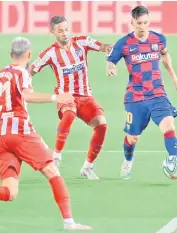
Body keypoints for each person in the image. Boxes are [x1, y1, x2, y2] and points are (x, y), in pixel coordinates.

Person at [0, 37, 92, 230]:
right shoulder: (22, 73)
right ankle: (69, 222)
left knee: (10, 192)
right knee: (52, 171)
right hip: (21, 133)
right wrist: (56, 97)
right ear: (29, 55)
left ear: (11, 55)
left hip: (0, 137)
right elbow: (26, 95)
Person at [106, 6, 177, 179]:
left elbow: (165, 55)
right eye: (139, 23)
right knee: (132, 138)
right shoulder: (124, 43)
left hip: (157, 94)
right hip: (135, 97)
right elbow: (111, 60)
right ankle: (128, 161)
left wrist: (174, 77)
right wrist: (111, 68)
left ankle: (175, 161)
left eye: (145, 22)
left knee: (169, 126)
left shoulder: (159, 39)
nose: (142, 26)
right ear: (132, 22)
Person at [29, 16, 112, 180]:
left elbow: (103, 46)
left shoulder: (82, 42)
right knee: (69, 113)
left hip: (86, 96)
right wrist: (24, 85)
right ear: (52, 32)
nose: (64, 33)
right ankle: (56, 156)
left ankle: (88, 167)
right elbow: (30, 71)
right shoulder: (49, 53)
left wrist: (112, 48)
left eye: (66, 29)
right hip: (65, 96)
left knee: (102, 125)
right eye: (60, 31)